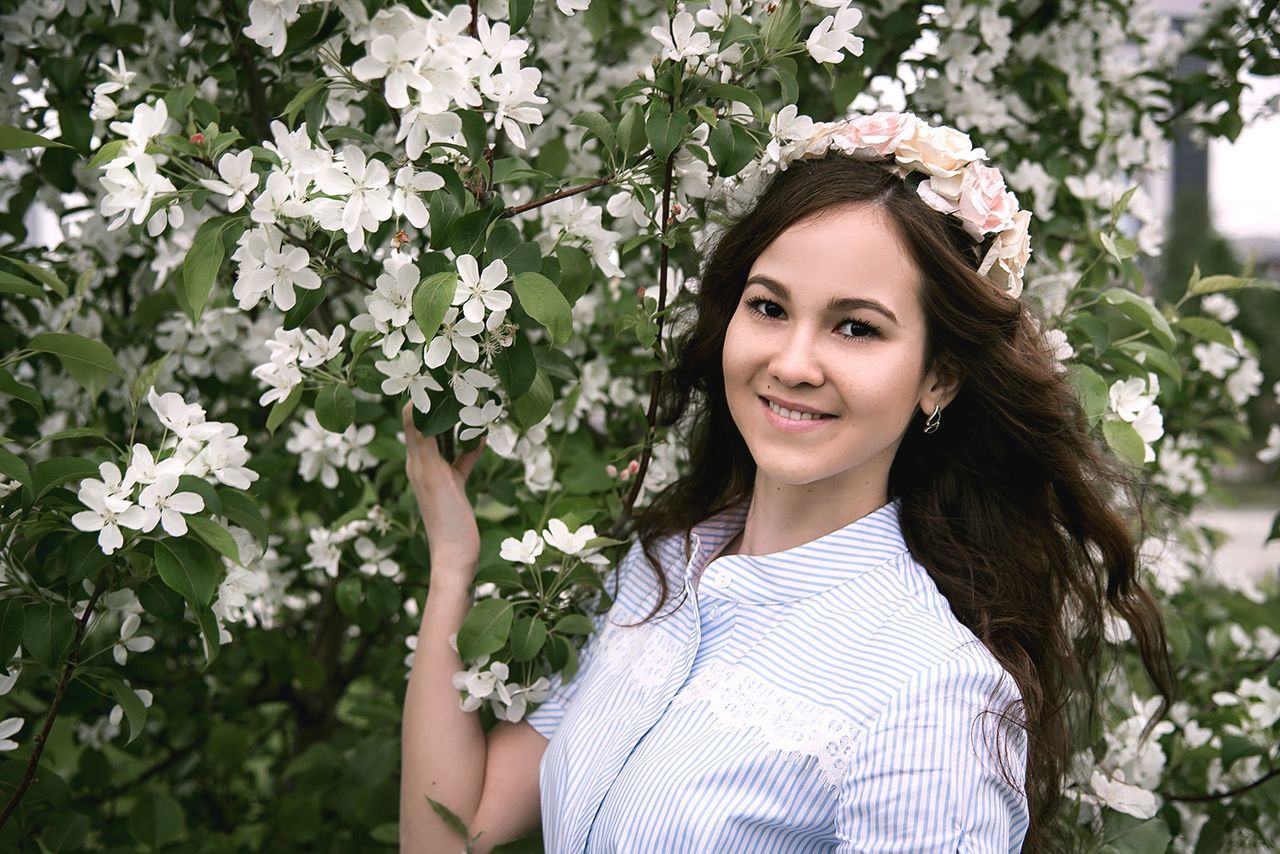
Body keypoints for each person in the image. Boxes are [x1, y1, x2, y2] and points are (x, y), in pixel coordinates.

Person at [399, 112, 1174, 853]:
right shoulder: (661, 570)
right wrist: (451, 564)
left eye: (856, 327)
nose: (794, 363)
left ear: (938, 375)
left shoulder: (930, 695)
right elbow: (453, 826)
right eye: (769, 307)